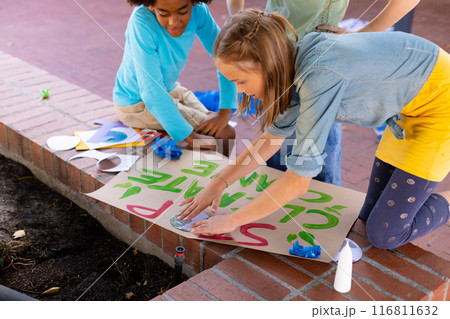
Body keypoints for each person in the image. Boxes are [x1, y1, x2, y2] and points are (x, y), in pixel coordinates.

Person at [178, 10, 450, 250]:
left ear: (268, 66)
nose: (239, 91)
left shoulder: (317, 77)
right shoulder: (290, 66)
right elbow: (270, 140)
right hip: (410, 105)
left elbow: (298, 180)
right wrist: (219, 182)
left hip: (441, 102)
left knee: (385, 234)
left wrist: (233, 220)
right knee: (367, 219)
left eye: (240, 81)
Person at [226, 0, 420, 185]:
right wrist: (241, 31)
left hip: (320, 77)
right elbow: (270, 142)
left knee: (319, 176)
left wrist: (363, 34)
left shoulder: (322, 78)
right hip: (278, 74)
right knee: (278, 166)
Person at [113, 0, 237, 157]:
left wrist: (225, 113)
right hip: (136, 104)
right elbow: (151, 92)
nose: (174, 22)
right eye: (164, 14)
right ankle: (212, 179)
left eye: (182, 12)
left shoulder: (198, 11)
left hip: (170, 89)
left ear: (194, 2)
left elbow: (225, 57)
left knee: (224, 133)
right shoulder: (141, 23)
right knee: (220, 137)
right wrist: (191, 138)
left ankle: (221, 180)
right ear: (150, 5)